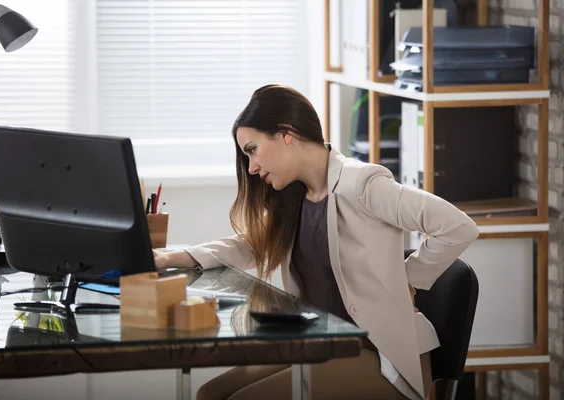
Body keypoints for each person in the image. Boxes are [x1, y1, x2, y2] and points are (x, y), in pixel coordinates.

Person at [152, 84, 479, 399]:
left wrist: (409, 278)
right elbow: (247, 244)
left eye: (252, 151)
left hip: (379, 355)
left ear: (285, 134)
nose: (251, 168)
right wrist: (171, 258)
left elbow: (456, 226)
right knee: (209, 393)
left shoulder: (362, 184)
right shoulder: (295, 196)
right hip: (324, 344)